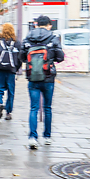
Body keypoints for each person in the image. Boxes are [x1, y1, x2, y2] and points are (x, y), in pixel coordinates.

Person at [20, 15, 65, 149]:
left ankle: (32, 137)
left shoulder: (28, 38)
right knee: (47, 108)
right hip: (48, 77)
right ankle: (47, 137)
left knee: (34, 108)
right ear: (49, 25)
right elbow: (61, 56)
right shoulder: (52, 37)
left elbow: (22, 56)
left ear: (36, 24)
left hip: (33, 77)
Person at [0, 23, 21, 120]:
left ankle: (0, 103)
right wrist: (15, 68)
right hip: (11, 71)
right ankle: (8, 113)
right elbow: (20, 58)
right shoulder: (17, 43)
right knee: (11, 92)